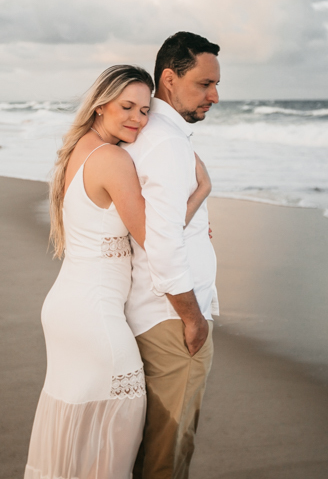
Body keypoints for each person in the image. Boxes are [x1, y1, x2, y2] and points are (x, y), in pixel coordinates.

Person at [25, 65, 212, 479]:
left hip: (67, 308)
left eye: (145, 110)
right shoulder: (112, 159)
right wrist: (201, 192)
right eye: (127, 107)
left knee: (77, 439)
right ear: (100, 106)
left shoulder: (79, 151)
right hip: (96, 318)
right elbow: (153, 237)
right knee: (114, 442)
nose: (138, 119)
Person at [123, 31, 220, 479]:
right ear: (169, 79)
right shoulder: (165, 142)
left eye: (215, 85)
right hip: (172, 322)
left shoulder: (153, 135)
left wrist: (200, 200)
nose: (214, 96)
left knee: (155, 448)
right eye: (204, 84)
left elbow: (158, 225)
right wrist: (193, 318)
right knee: (169, 453)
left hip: (158, 313)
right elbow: (161, 243)